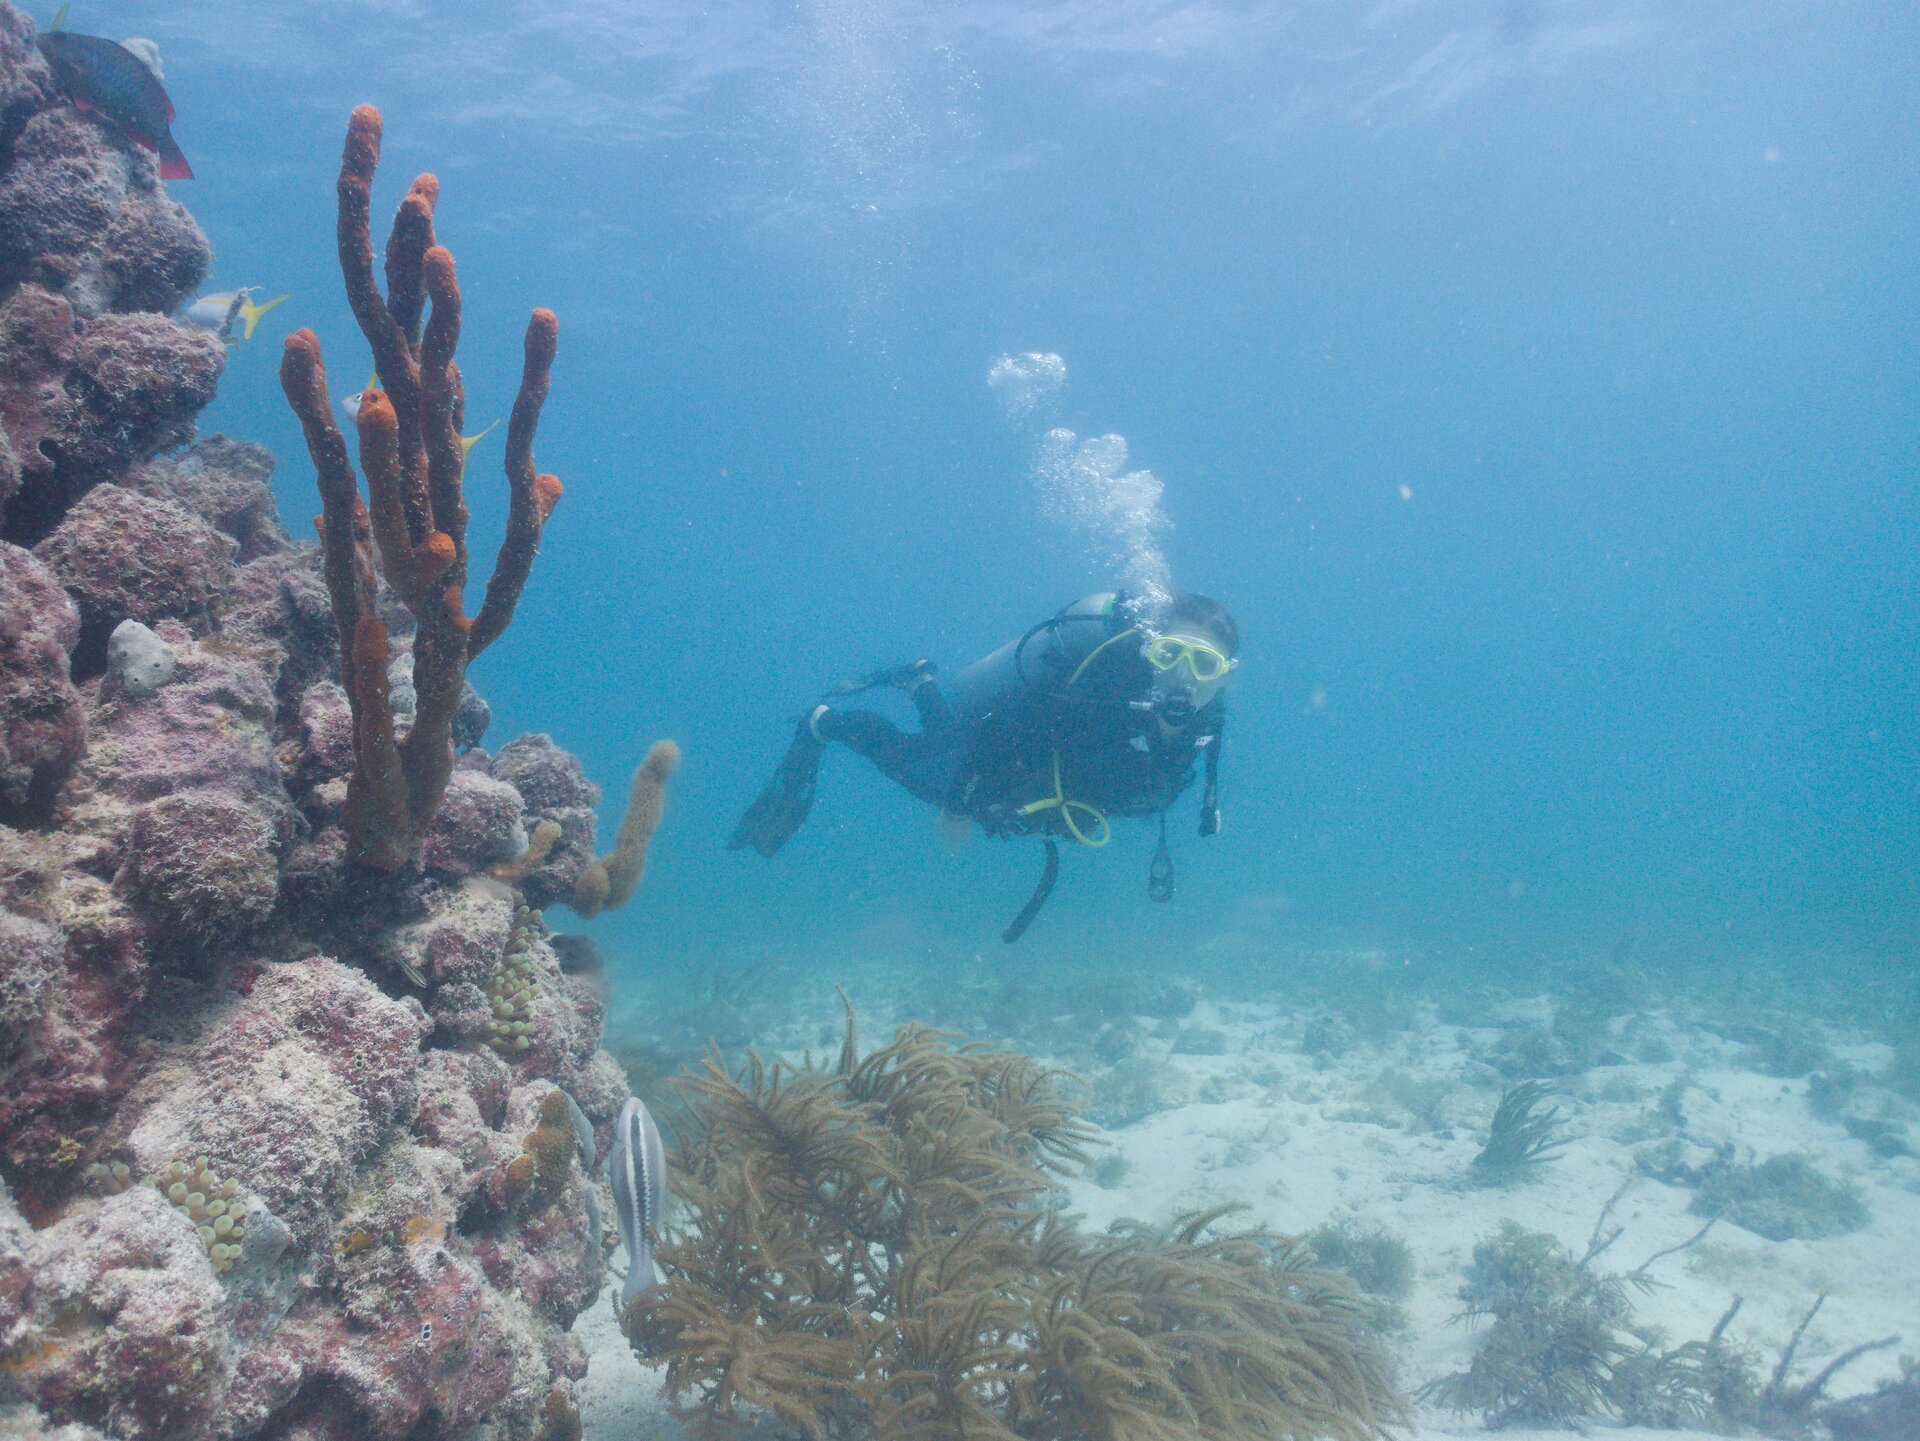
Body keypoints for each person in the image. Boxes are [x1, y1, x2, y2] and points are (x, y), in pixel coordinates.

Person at [728, 590, 1236, 940]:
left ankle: (919, 681)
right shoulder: (1098, 694)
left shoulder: (1206, 723)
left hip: (1036, 783)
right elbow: (1000, 735)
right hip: (998, 763)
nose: (1184, 678)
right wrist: (956, 809)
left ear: (1224, 676)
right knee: (923, 769)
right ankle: (826, 722)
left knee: (943, 740)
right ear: (1151, 650)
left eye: (1205, 664)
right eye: (1172, 654)